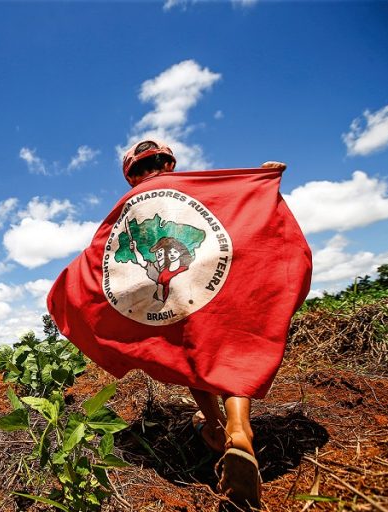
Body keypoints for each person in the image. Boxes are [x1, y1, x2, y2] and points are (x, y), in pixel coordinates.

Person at [122, 139, 288, 509]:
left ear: (131, 175)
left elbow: (112, 262)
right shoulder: (194, 191)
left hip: (173, 295)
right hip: (212, 281)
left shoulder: (131, 210)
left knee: (192, 355)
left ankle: (213, 426)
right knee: (228, 348)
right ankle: (240, 430)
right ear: (168, 163)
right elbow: (236, 214)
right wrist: (260, 184)